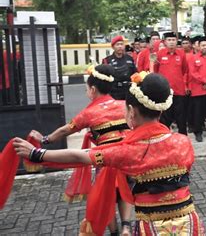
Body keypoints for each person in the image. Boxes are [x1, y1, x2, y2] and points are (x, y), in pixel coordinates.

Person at [13, 73, 204, 236]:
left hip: (152, 227)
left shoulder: (127, 151)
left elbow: (80, 156)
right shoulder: (183, 142)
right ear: (160, 111)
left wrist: (37, 153)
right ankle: (125, 226)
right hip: (189, 222)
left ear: (131, 111)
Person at [28, 64, 133, 236]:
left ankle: (114, 232)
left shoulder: (89, 112)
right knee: (124, 191)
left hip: (104, 159)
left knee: (107, 197)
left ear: (92, 89)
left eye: (86, 89)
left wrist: (45, 139)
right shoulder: (124, 105)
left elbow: (65, 130)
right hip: (126, 158)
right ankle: (127, 227)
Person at [153, 32, 188, 135]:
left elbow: (184, 69)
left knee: (181, 116)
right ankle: (164, 136)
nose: (171, 42)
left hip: (178, 91)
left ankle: (183, 136)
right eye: (169, 40)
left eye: (173, 40)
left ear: (177, 41)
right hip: (165, 91)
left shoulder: (181, 54)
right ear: (165, 42)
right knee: (164, 117)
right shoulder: (160, 54)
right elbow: (155, 70)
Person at [102, 35, 137, 100]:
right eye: (117, 44)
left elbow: (135, 74)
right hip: (115, 92)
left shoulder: (129, 59)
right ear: (113, 47)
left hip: (129, 91)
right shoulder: (107, 60)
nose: (120, 46)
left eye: (121, 44)